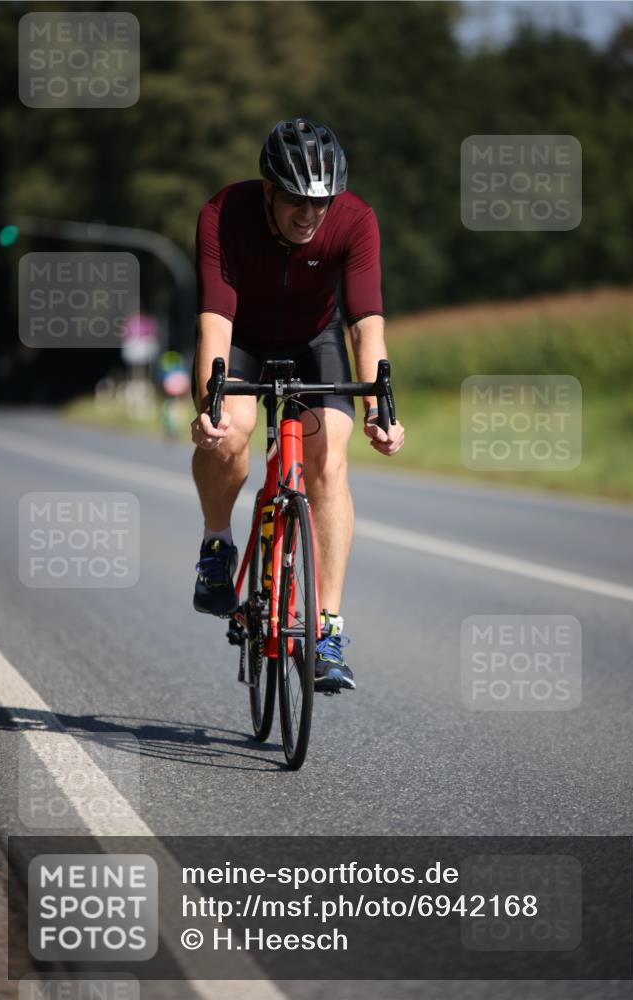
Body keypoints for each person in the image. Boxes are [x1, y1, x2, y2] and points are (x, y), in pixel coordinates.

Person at [190, 117, 405, 693]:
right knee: (228, 431)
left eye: (320, 203)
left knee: (329, 462)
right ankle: (217, 543)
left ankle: (327, 630)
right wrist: (209, 403)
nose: (309, 216)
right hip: (240, 339)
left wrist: (379, 411)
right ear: (268, 190)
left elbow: (366, 321)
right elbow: (214, 316)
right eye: (295, 203)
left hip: (315, 343)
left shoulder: (356, 220)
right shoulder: (224, 215)